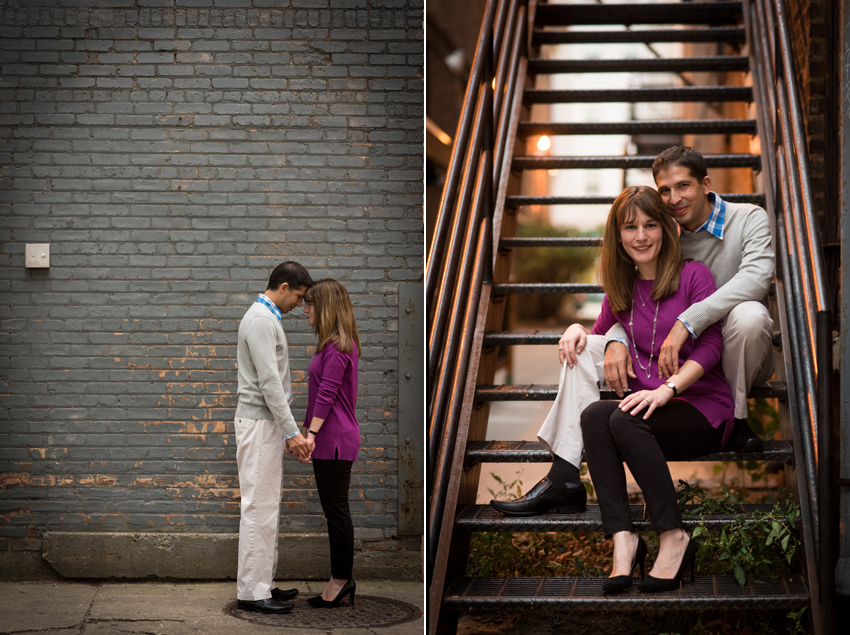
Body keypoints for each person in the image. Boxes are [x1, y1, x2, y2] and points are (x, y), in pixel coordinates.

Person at [490, 146, 774, 517]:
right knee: (580, 348)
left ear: (705, 184)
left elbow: (756, 278)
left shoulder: (747, 219)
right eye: (665, 191)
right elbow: (631, 304)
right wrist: (607, 338)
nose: (674, 198)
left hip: (726, 354)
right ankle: (565, 476)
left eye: (683, 186)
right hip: (670, 354)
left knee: (748, 316)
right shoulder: (664, 230)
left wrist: (687, 321)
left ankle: (737, 420)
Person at [577, 187, 734, 593]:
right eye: (630, 228)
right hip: (648, 416)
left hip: (702, 409)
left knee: (622, 417)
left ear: (665, 229)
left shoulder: (693, 275)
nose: (641, 236)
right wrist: (578, 332)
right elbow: (599, 336)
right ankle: (623, 538)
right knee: (594, 415)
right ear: (619, 236)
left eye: (650, 225)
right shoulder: (621, 287)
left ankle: (673, 534)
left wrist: (668, 389)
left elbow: (713, 345)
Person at [234, 261, 314, 614]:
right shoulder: (262, 320)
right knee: (259, 507)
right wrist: (292, 431)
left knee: (267, 506)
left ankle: (264, 581)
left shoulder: (265, 317)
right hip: (260, 423)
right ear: (284, 287)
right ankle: (252, 593)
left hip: (264, 424)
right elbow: (269, 383)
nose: (300, 304)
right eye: (298, 296)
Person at [297, 279, 361, 608]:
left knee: (336, 511)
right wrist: (307, 433)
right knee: (333, 510)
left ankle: (341, 579)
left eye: (309, 304)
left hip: (335, 438)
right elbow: (318, 398)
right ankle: (339, 578)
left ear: (325, 307)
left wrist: (310, 435)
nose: (304, 309)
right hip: (328, 437)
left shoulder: (337, 347)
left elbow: (327, 394)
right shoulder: (329, 346)